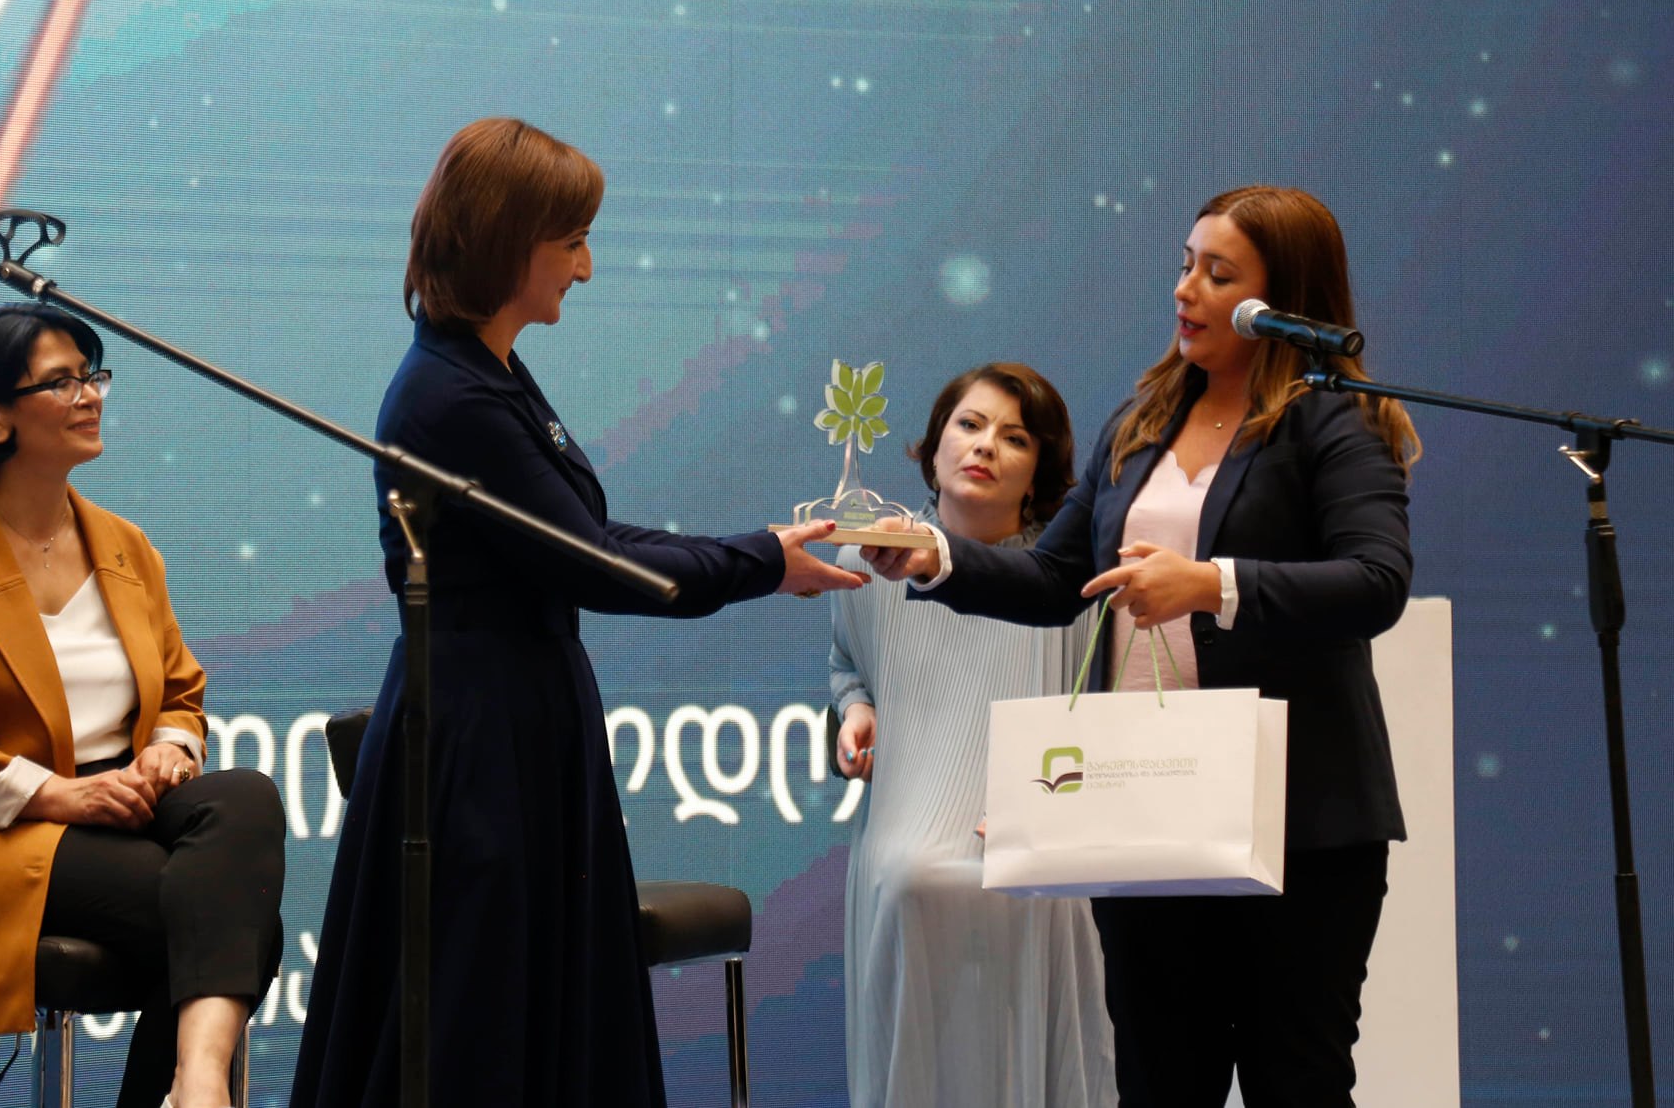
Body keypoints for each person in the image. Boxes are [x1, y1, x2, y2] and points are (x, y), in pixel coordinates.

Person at [289, 117, 866, 1108]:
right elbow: (598, 566)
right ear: (508, 241)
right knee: (482, 1019)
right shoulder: (454, 397)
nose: (586, 268)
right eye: (572, 242)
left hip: (514, 720)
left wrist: (761, 552)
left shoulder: (485, 372)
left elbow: (581, 536)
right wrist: (761, 563)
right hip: (480, 741)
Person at [865, 185, 1418, 1108]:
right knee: (1160, 1082)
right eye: (1186, 264)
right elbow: (1055, 580)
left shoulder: (1334, 420)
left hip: (1301, 824)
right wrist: (936, 556)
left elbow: (1376, 581)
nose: (1185, 290)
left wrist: (1210, 583)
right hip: (1148, 812)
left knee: (1299, 1081)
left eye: (1219, 274)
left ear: (1283, 300)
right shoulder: (1142, 420)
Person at [0, 304, 285, 1108]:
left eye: (92, 376)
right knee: (226, 913)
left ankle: (195, 1085)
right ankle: (200, 1091)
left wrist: (170, 746)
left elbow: (179, 689)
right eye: (61, 382)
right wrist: (57, 793)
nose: (90, 395)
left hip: (120, 799)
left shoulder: (123, 543)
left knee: (244, 797)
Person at [829, 362, 1116, 1108]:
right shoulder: (867, 560)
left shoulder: (1075, 587)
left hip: (1034, 849)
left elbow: (1101, 722)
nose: (986, 445)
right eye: (970, 424)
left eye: (1014, 437)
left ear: (1040, 473)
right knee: (909, 883)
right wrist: (856, 710)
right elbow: (848, 667)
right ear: (933, 450)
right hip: (903, 842)